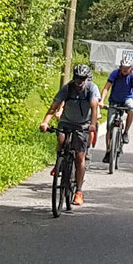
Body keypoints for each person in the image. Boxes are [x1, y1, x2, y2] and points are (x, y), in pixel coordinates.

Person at [41, 64, 101, 205]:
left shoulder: (91, 88)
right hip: (67, 121)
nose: (79, 81)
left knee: (80, 157)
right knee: (61, 140)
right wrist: (45, 122)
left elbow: (94, 108)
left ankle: (78, 191)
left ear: (86, 78)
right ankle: (59, 162)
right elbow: (54, 106)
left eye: (82, 79)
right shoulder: (67, 88)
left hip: (83, 125)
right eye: (77, 78)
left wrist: (92, 125)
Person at [103, 58, 133, 161]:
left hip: (127, 99)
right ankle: (108, 150)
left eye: (126, 68)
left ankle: (126, 132)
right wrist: (102, 101)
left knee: (131, 110)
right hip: (114, 100)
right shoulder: (115, 73)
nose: (124, 70)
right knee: (109, 127)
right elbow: (106, 88)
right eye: (122, 68)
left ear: (131, 69)